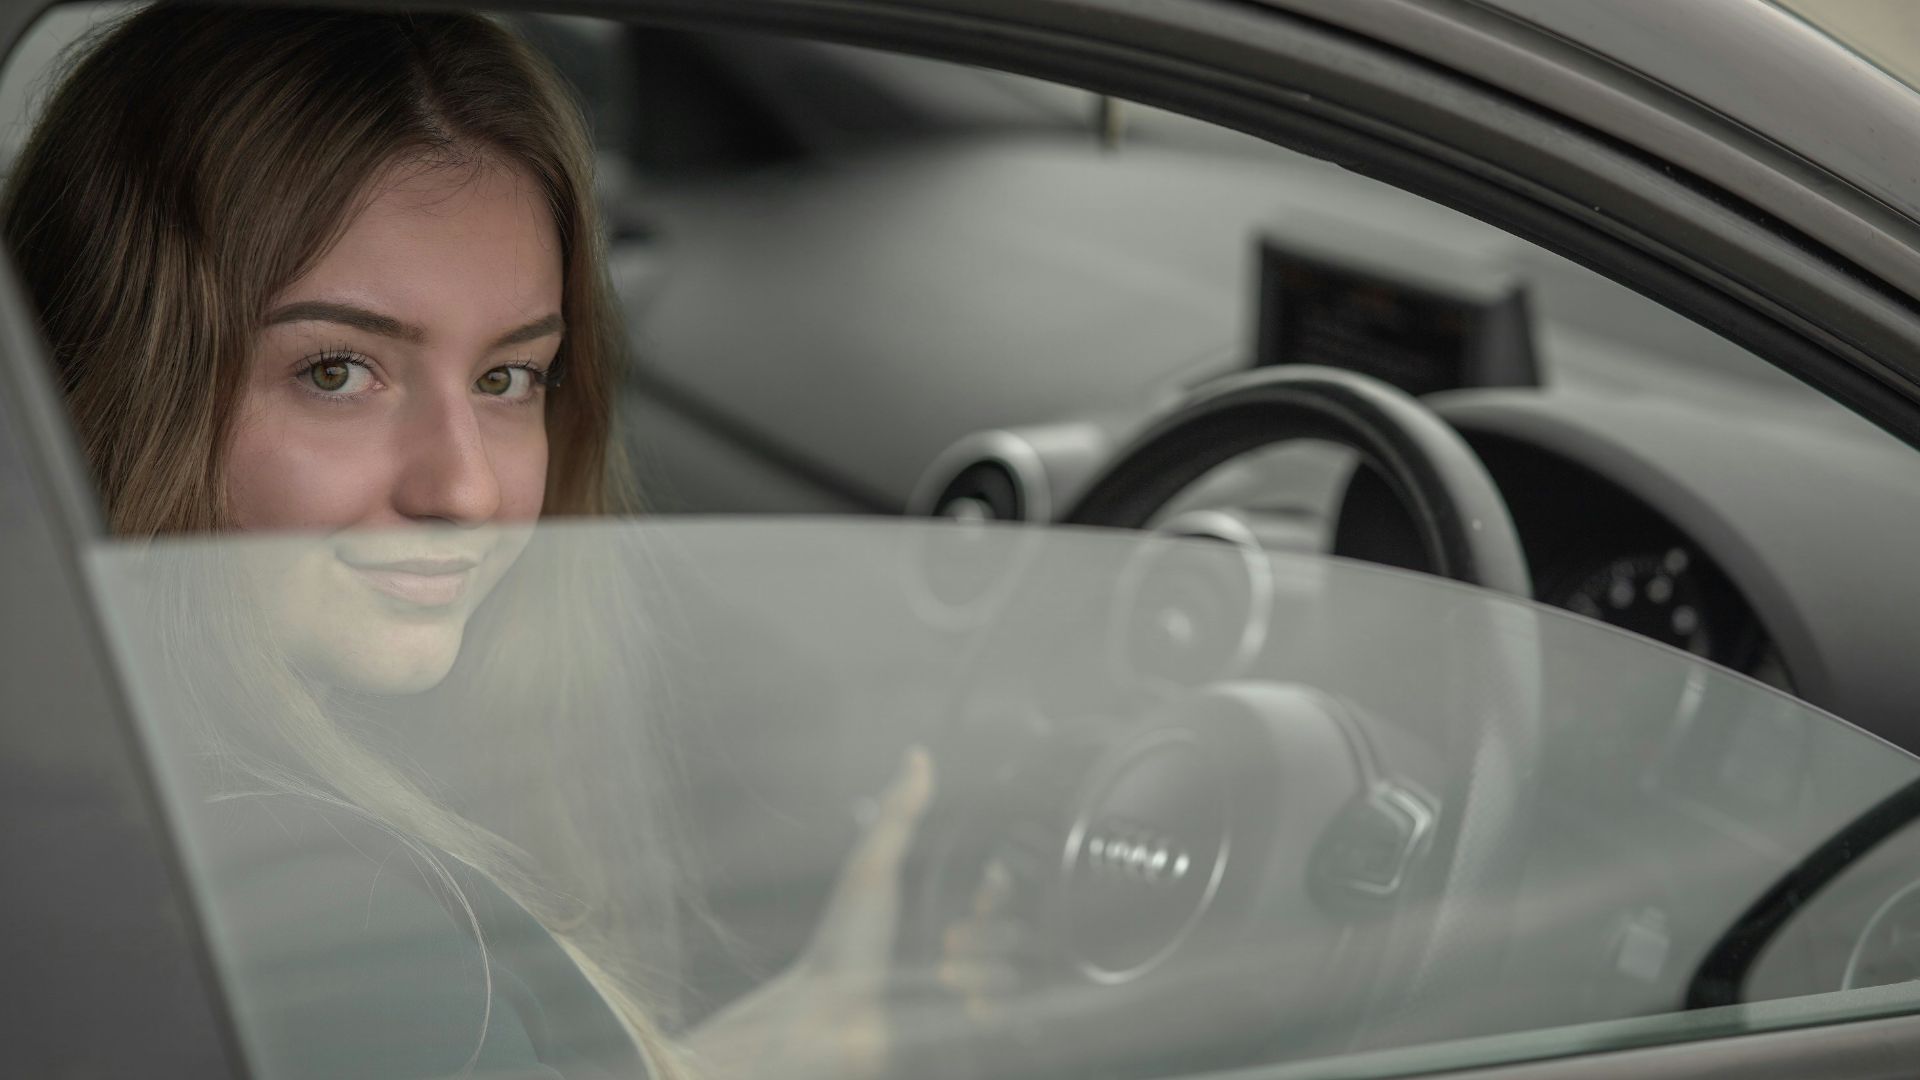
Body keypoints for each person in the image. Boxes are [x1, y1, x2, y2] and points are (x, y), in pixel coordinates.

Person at [3, 6, 943, 1078]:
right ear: (124, 378)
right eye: (338, 372)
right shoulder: (333, 928)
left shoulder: (116, 819)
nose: (466, 488)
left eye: (508, 379)